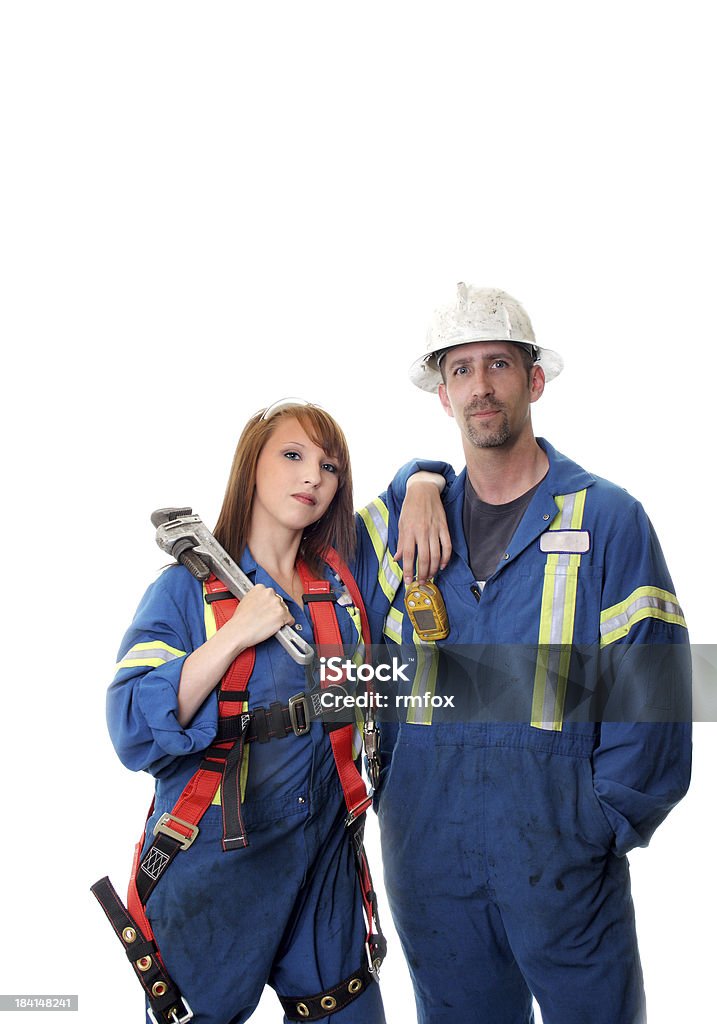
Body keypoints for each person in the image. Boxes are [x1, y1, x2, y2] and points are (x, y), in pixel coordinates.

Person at [356, 285, 691, 1024]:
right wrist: (416, 476)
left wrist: (602, 820)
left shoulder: (605, 517)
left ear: (532, 381)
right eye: (461, 369)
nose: (480, 386)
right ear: (442, 396)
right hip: (428, 852)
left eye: (498, 364)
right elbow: (309, 566)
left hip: (562, 854)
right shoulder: (399, 524)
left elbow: (657, 684)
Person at [102, 399, 447, 1024]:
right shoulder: (184, 590)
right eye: (292, 456)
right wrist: (235, 634)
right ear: (250, 468)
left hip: (325, 860)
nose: (313, 476)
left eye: (329, 465)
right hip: (216, 869)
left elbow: (405, 494)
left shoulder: (343, 583)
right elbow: (130, 724)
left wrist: (425, 479)